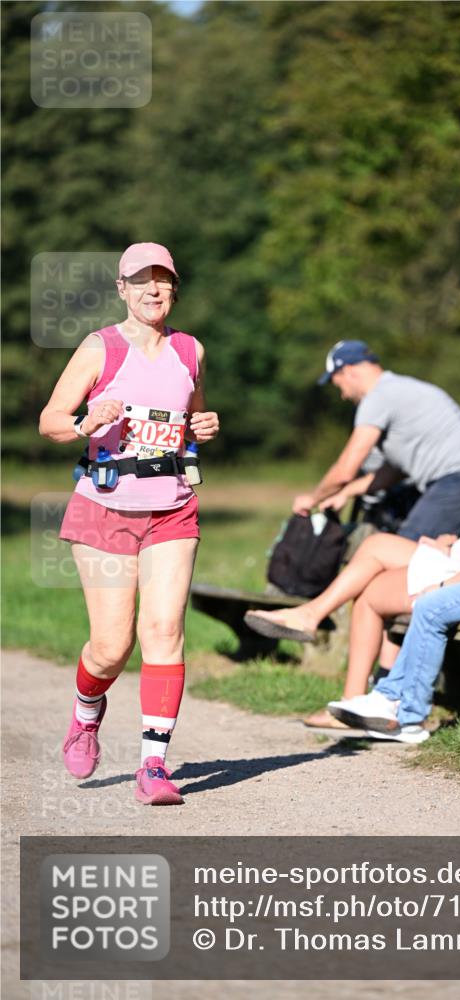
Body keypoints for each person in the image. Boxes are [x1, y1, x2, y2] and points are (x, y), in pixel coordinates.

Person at [246, 399, 460, 729]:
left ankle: (407, 716)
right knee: (407, 585)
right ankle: (388, 696)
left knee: (429, 604)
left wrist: (441, 587)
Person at [39, 242, 219, 805]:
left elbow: (190, 419)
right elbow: (50, 420)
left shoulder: (191, 350)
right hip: (106, 506)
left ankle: (154, 766)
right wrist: (85, 420)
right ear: (122, 288)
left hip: (172, 506)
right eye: (141, 280)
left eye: (163, 279)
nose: (153, 289)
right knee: (111, 646)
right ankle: (85, 716)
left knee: (163, 632)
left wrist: (203, 427)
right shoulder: (101, 348)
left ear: (174, 287)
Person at [293, 340, 460, 541]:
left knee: (402, 550)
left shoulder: (378, 397)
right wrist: (346, 492)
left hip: (459, 480)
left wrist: (313, 498)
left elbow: (345, 469)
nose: (343, 395)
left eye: (338, 384)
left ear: (349, 371)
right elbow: (394, 471)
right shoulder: (401, 387)